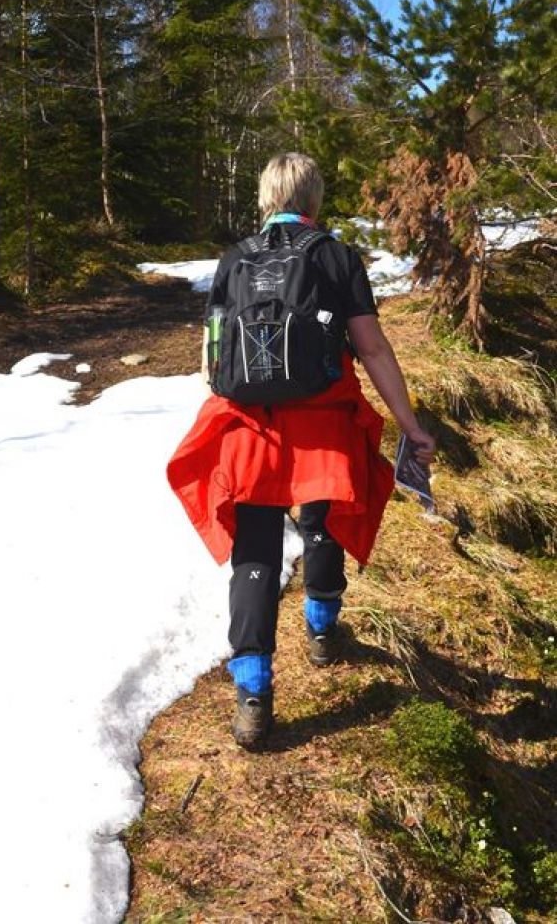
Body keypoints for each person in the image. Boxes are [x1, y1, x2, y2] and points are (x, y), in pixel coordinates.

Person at [167, 152, 435, 749]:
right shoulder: (336, 256)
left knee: (256, 553)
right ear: (314, 199)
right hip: (322, 424)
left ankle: (253, 694)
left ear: (266, 198)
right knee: (322, 523)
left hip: (251, 430)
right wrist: (410, 425)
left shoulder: (234, 259)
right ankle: (322, 632)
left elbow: (213, 356)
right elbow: (372, 348)